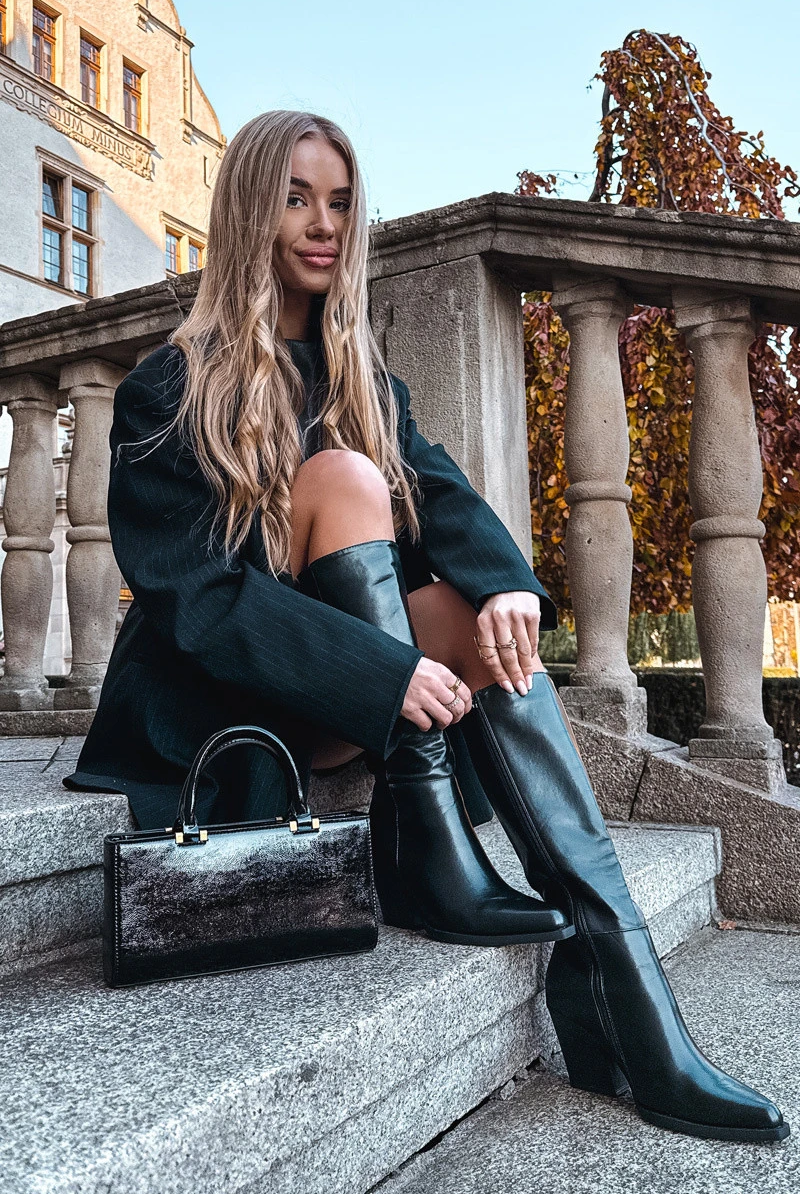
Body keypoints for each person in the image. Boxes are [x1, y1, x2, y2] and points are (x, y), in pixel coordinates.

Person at [64, 111, 788, 1144]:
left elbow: (442, 495)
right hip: (232, 701)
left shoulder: (359, 374)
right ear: (249, 211)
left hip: (345, 694)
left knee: (479, 613)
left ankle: (615, 971)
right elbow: (197, 602)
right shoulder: (165, 388)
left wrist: (505, 588)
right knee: (347, 477)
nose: (323, 225)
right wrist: (378, 671)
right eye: (295, 199)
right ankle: (427, 846)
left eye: (340, 202)